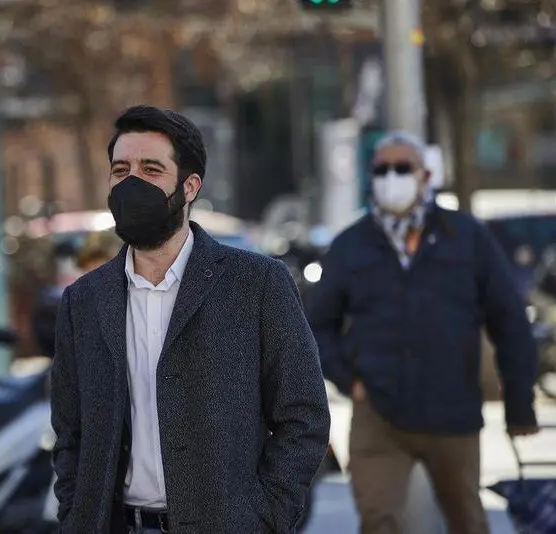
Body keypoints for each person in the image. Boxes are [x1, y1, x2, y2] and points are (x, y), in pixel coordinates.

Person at [50, 105, 330, 533]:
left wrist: (267, 516)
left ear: (190, 186)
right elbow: (69, 434)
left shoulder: (256, 285)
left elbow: (304, 416)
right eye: (120, 169)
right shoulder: (83, 302)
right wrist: (74, 515)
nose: (132, 183)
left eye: (151, 169)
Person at [306, 131, 540, 534]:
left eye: (402, 168)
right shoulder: (352, 244)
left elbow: (510, 319)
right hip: (378, 413)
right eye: (382, 169)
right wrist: (349, 379)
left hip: (453, 414)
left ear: (425, 175)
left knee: (467, 521)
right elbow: (314, 324)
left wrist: (519, 403)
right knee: (379, 520)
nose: (391, 177)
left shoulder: (466, 237)